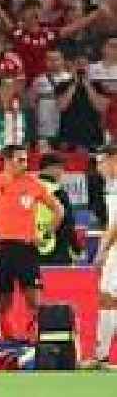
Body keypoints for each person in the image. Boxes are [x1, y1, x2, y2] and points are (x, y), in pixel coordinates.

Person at [0, 145, 64, 343]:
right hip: (1, 248)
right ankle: (8, 341)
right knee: (3, 302)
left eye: (26, 160)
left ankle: (36, 340)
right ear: (7, 161)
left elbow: (58, 210)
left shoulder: (34, 184)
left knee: (34, 300)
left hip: (26, 248)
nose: (25, 164)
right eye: (20, 160)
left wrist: (45, 234)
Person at [94, 145, 117, 368]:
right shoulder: (110, 185)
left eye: (101, 162)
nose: (98, 167)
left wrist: (102, 251)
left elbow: (115, 225)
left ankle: (101, 355)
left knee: (108, 298)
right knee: (109, 299)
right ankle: (101, 353)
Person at [35, 154, 81, 265]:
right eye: (60, 168)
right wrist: (76, 248)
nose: (62, 172)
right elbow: (68, 223)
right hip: (56, 250)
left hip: (32, 248)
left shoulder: (29, 188)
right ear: (51, 168)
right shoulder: (57, 190)